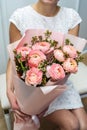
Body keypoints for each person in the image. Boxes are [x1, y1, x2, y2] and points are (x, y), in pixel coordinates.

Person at [6, 0, 87, 130]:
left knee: (84, 125)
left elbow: (69, 60)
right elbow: (13, 59)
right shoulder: (19, 17)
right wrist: (9, 91)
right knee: (72, 125)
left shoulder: (71, 17)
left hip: (60, 83)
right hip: (31, 88)